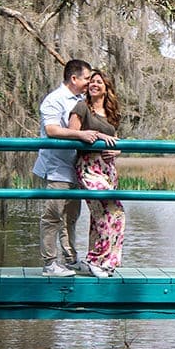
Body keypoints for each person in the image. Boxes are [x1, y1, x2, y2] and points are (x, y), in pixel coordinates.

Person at [33, 58, 117, 276]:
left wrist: (114, 148)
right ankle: (50, 264)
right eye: (87, 78)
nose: (90, 82)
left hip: (77, 168)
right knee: (53, 215)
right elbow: (51, 130)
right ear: (74, 78)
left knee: (71, 217)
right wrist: (81, 134)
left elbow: (103, 128)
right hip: (57, 167)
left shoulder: (82, 100)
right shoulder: (54, 100)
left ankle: (70, 260)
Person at [68, 69, 125, 276]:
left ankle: (103, 262)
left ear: (106, 88)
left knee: (100, 215)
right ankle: (97, 260)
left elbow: (116, 140)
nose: (94, 84)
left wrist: (117, 151)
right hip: (88, 166)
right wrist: (97, 135)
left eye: (99, 82)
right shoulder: (82, 107)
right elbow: (72, 133)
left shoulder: (111, 113)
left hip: (108, 168)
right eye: (91, 81)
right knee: (114, 210)